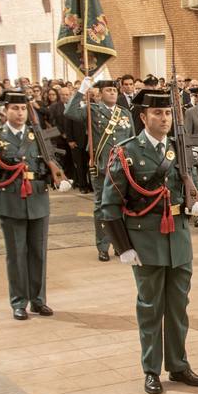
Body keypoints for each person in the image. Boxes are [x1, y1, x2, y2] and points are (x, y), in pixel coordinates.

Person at [99, 89, 198, 394]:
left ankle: (178, 364)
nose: (164, 119)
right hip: (145, 239)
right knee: (150, 308)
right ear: (143, 117)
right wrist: (123, 247)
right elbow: (109, 205)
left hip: (178, 238)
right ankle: (151, 369)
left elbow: (190, 183)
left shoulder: (178, 148)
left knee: (178, 307)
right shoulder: (127, 151)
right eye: (157, 113)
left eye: (168, 113)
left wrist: (196, 201)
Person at [0, 91, 62, 320]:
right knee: (17, 255)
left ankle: (38, 300)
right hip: (10, 202)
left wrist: (58, 176)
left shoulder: (38, 136)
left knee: (38, 254)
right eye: (14, 108)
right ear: (5, 111)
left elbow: (51, 161)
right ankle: (18, 302)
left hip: (38, 201)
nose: (20, 113)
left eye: (23, 109)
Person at [65, 77, 136, 262]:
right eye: (108, 90)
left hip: (121, 167)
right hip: (101, 165)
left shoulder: (124, 113)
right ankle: (103, 246)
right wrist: (81, 91)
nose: (112, 93)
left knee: (121, 206)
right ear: (100, 94)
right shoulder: (93, 110)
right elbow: (70, 112)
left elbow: (132, 140)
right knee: (101, 208)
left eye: (114, 90)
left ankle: (120, 244)